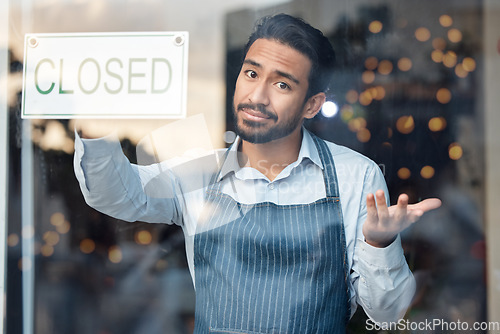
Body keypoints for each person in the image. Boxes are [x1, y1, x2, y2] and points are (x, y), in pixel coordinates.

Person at [74, 13, 441, 333]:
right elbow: (119, 195)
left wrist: (379, 244)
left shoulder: (354, 177)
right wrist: (94, 129)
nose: (258, 96)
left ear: (312, 105)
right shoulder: (198, 173)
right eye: (251, 73)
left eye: (282, 84)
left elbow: (389, 314)